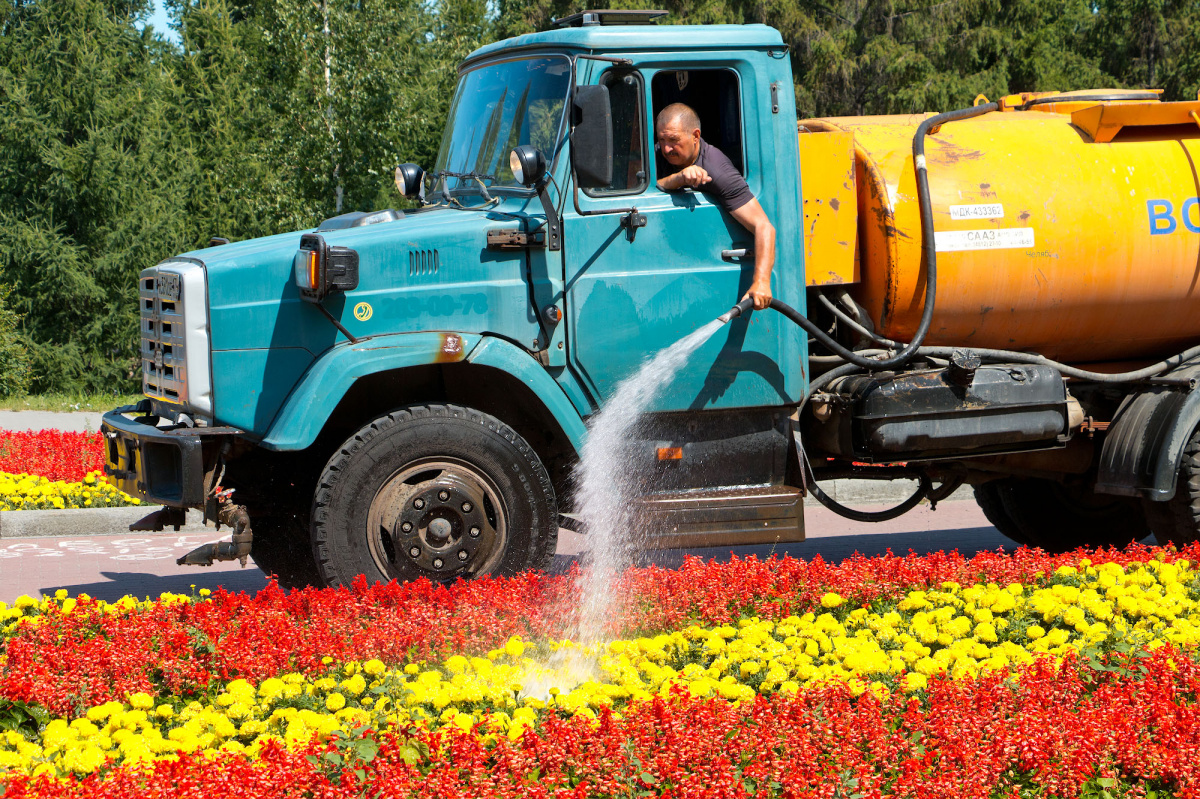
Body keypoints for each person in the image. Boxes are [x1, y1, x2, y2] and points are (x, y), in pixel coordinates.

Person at [654, 102, 776, 310]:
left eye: (673, 140)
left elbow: (764, 226)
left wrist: (762, 282)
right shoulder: (657, 152)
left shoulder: (718, 171)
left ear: (695, 136)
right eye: (661, 139)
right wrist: (679, 178)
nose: (666, 148)